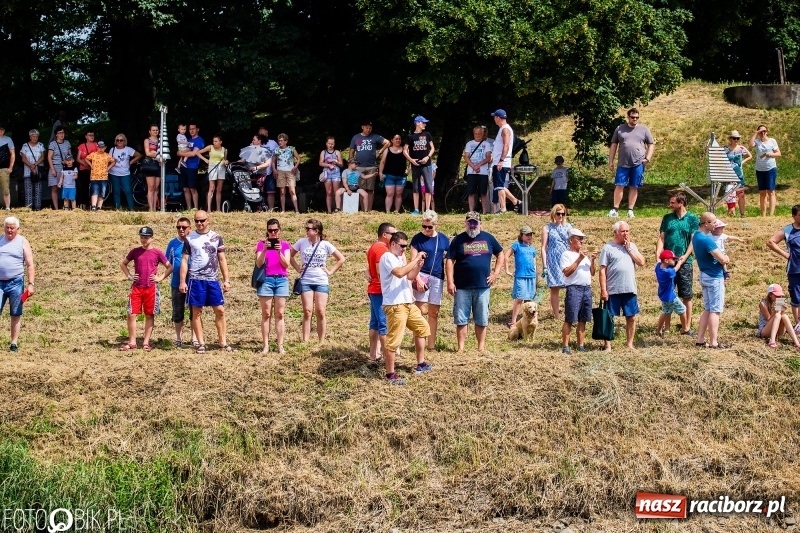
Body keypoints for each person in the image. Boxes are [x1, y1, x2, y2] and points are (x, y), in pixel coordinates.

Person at [445, 211, 504, 353]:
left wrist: (495, 273)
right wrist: (450, 282)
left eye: (475, 222)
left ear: (480, 224)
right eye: (469, 222)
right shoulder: (458, 239)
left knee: (482, 318)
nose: (472, 225)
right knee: (461, 318)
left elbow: (500, 254)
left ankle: (480, 347)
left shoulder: (488, 238)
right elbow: (449, 260)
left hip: (483, 286)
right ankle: (460, 348)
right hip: (462, 286)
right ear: (465, 223)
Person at [380, 231, 432, 385]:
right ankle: (390, 374)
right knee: (394, 340)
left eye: (406, 246)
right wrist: (415, 259)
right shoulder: (387, 257)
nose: (404, 249)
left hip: (407, 302)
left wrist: (418, 266)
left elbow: (409, 276)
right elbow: (400, 273)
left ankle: (421, 363)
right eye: (402, 246)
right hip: (395, 305)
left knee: (422, 328)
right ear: (393, 243)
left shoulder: (398, 258)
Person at [179, 210, 233, 354]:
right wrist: (183, 281)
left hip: (212, 280)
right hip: (196, 280)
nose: (199, 223)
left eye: (202, 220)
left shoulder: (216, 237)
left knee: (220, 310)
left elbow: (222, 259)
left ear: (208, 220)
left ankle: (223, 342)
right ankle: (201, 343)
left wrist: (226, 280)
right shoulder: (189, 238)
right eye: (196, 221)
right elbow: (184, 260)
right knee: (196, 312)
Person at [290, 219, 346, 342]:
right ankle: (305, 341)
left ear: (316, 231)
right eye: (306, 228)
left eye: (308, 229)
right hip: (306, 281)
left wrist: (330, 271)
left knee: (320, 311)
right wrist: (298, 268)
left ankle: (321, 341)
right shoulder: (301, 242)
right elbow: (289, 255)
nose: (306, 231)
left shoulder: (325, 244)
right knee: (307, 311)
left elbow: (341, 259)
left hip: (321, 281)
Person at [119, 226, 172, 352]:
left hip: (151, 288)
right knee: (131, 314)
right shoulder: (135, 251)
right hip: (137, 287)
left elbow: (170, 267)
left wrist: (160, 277)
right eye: (142, 237)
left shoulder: (157, 252)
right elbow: (123, 263)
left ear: (152, 238)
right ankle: (132, 342)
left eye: (146, 237)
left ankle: (146, 342)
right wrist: (129, 276)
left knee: (149, 314)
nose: (144, 240)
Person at [599, 221, 646, 350]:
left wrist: (629, 249)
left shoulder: (632, 246)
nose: (626, 234)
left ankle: (630, 344)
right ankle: (607, 345)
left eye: (627, 231)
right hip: (613, 289)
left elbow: (642, 262)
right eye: (623, 231)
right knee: (608, 317)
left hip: (629, 288)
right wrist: (603, 290)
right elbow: (602, 270)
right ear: (615, 232)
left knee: (631, 317)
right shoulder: (608, 248)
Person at [656, 193, 698, 335]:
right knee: (668, 293)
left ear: (681, 203)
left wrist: (685, 256)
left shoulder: (692, 218)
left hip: (685, 261)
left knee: (686, 294)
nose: (670, 205)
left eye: (673, 202)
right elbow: (662, 238)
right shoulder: (667, 218)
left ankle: (686, 326)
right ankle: (667, 327)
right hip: (668, 261)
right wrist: (658, 254)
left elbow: (693, 240)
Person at [410, 211, 450, 351]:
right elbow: (413, 260)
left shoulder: (443, 239)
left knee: (434, 313)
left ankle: (431, 345)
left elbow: (449, 259)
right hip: (421, 274)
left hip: (437, 277)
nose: (426, 229)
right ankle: (418, 342)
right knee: (420, 311)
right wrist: (417, 279)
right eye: (424, 226)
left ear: (436, 224)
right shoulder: (417, 239)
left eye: (429, 227)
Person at [607, 107, 654, 218]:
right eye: (633, 117)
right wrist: (611, 161)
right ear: (628, 117)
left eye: (637, 117)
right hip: (623, 163)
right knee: (619, 185)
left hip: (638, 163)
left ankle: (630, 210)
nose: (635, 119)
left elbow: (651, 144)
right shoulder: (620, 129)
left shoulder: (644, 130)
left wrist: (648, 158)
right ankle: (615, 209)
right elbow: (614, 145)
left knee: (634, 186)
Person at [692, 212, 730, 349]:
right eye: (714, 222)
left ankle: (700, 340)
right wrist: (727, 258)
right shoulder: (706, 240)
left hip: (704, 274)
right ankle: (714, 342)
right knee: (715, 310)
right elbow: (722, 259)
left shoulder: (696, 236)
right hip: (714, 277)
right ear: (706, 223)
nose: (716, 224)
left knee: (707, 308)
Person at [255, 219, 291, 355]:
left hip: (281, 280)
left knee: (280, 314)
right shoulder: (261, 244)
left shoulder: (285, 245)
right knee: (266, 314)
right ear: (267, 231)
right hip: (266, 280)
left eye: (275, 230)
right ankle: (266, 345)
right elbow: (259, 263)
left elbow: (286, 264)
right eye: (270, 230)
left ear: (279, 230)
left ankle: (280, 345)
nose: (273, 233)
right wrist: (264, 249)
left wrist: (279, 252)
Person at [0, 216, 35, 352]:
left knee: (15, 313)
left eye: (12, 228)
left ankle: (13, 343)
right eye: (7, 227)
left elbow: (30, 265)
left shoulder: (22, 242)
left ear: (17, 229)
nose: (9, 230)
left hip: (16, 282)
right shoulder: (0, 240)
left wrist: (31, 284)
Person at [560, 228, 597, 354]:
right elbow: (566, 272)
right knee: (570, 318)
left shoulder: (584, 256)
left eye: (582, 239)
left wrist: (592, 260)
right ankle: (565, 347)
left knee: (583, 319)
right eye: (579, 238)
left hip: (586, 289)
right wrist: (579, 259)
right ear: (571, 240)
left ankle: (581, 345)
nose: (582, 241)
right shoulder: (566, 255)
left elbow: (592, 272)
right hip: (574, 288)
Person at [366, 222, 396, 362]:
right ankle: (386, 356)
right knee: (384, 324)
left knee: (375, 323)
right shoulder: (381, 249)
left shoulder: (375, 246)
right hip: (380, 291)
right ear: (384, 234)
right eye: (392, 234)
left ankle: (373, 354)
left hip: (374, 289)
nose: (395, 237)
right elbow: (379, 271)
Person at [767, 204, 800, 325]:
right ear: (793, 216)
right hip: (795, 269)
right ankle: (798, 324)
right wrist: (784, 254)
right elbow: (770, 242)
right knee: (796, 298)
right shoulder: (788, 230)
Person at [165, 217, 195, 347]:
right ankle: (179, 338)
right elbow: (167, 262)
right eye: (178, 227)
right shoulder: (172, 244)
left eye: (184, 227)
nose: (181, 229)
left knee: (195, 311)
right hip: (177, 282)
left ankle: (194, 337)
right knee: (177, 311)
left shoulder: (194, 242)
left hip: (194, 282)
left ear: (190, 228)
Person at [349, 120, 389, 212]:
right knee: (361, 189)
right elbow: (351, 151)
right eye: (367, 128)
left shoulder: (375, 136)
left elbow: (387, 142)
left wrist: (379, 152)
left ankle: (369, 210)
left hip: (372, 166)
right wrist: (351, 164)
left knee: (370, 189)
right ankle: (363, 209)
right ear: (362, 127)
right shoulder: (356, 137)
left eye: (370, 128)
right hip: (359, 167)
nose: (368, 130)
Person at [541, 204, 573, 320]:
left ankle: (570, 312)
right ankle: (557, 315)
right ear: (553, 214)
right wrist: (545, 265)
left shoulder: (568, 227)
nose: (560, 216)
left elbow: (573, 243)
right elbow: (543, 247)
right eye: (558, 213)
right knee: (555, 288)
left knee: (571, 286)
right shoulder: (547, 228)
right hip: (553, 260)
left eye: (563, 214)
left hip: (566, 259)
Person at [504, 225, 538, 329]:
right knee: (519, 299)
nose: (529, 236)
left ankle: (528, 321)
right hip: (520, 275)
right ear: (521, 235)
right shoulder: (517, 245)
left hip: (531, 276)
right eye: (527, 235)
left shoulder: (532, 249)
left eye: (530, 234)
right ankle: (513, 322)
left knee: (529, 300)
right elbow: (506, 256)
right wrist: (507, 270)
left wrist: (536, 277)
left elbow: (534, 263)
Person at [489, 110, 521, 213]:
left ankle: (503, 209)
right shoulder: (502, 129)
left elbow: (506, 145)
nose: (494, 119)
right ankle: (515, 201)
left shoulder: (505, 129)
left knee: (499, 186)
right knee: (500, 185)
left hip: (501, 162)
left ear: (498, 118)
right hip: (498, 161)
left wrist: (501, 160)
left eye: (494, 117)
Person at [403, 116, 435, 214]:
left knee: (428, 186)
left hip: (427, 165)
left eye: (425, 123)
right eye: (423, 122)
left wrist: (427, 157)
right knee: (416, 187)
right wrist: (411, 160)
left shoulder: (427, 134)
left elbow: (432, 148)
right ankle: (416, 209)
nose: (425, 124)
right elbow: (405, 150)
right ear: (417, 123)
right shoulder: (410, 136)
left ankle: (428, 209)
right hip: (415, 165)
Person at [749, 124, 781, 217]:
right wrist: (755, 133)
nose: (763, 133)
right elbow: (750, 145)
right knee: (762, 192)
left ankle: (771, 214)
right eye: (761, 131)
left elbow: (779, 153)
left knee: (771, 191)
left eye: (764, 131)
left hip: (770, 168)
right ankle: (763, 214)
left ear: (767, 132)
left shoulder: (772, 141)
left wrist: (770, 154)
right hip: (760, 169)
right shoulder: (757, 141)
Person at [654, 250, 687, 337]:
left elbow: (659, 262)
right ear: (666, 260)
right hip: (671, 296)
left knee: (665, 312)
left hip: (663, 295)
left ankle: (659, 330)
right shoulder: (668, 272)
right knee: (683, 310)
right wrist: (680, 261)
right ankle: (685, 329)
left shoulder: (658, 267)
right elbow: (676, 268)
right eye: (672, 259)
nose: (674, 260)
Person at [757, 284, 800, 349]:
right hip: (765, 331)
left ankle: (797, 343)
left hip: (777, 331)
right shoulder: (763, 304)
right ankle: (772, 341)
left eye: (780, 295)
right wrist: (775, 311)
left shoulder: (779, 302)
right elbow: (769, 319)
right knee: (777, 315)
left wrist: (782, 310)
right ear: (770, 295)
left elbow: (780, 317)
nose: (779, 297)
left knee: (784, 316)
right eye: (776, 295)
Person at [463, 125, 493, 213]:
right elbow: (466, 157)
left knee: (483, 192)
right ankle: (471, 211)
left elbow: (488, 157)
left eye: (479, 134)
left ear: (482, 134)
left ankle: (484, 211)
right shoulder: (469, 144)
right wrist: (473, 166)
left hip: (483, 172)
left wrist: (478, 165)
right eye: (475, 133)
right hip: (471, 172)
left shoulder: (486, 144)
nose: (477, 135)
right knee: (471, 192)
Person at [108, 134, 142, 211]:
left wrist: (131, 162)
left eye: (121, 140)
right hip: (114, 173)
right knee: (116, 191)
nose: (119, 142)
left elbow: (139, 155)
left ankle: (131, 207)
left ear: (124, 141)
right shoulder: (112, 150)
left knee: (128, 190)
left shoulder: (128, 149)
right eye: (117, 140)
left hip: (125, 173)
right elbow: (108, 160)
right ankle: (118, 208)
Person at [722, 130, 751, 217]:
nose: (736, 140)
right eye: (734, 138)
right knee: (730, 193)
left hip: (739, 174)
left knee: (741, 194)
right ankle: (731, 212)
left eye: (737, 138)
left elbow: (750, 156)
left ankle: (742, 214)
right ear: (730, 139)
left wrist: (743, 162)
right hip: (729, 173)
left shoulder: (741, 148)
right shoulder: (725, 149)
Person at [177, 123, 204, 210]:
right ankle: (189, 208)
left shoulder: (199, 140)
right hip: (183, 166)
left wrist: (182, 153)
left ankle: (195, 208)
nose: (191, 131)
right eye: (190, 129)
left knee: (192, 188)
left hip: (192, 167)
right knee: (185, 189)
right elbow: (177, 152)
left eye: (193, 129)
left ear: (197, 129)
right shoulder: (186, 139)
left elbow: (193, 154)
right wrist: (182, 153)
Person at [378, 134, 409, 214]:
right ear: (392, 140)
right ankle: (388, 211)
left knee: (399, 194)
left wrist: (408, 169)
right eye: (396, 139)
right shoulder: (387, 150)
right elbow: (382, 162)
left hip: (401, 176)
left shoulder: (405, 150)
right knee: (389, 194)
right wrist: (380, 172)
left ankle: (397, 211)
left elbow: (410, 161)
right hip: (389, 175)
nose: (398, 140)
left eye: (399, 139)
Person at [197, 134, 228, 212]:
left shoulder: (224, 150)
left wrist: (226, 162)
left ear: (220, 142)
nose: (214, 143)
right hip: (212, 166)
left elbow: (224, 159)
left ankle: (218, 209)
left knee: (219, 189)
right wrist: (205, 159)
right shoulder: (210, 147)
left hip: (221, 168)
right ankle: (209, 209)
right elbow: (198, 152)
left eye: (216, 141)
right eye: (214, 141)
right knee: (211, 188)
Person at [273, 133, 301, 213]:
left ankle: (296, 210)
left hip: (290, 171)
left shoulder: (291, 149)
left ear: (286, 141)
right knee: (282, 191)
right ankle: (283, 210)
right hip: (280, 171)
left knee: (292, 190)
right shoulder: (277, 150)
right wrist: (274, 169)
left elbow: (298, 158)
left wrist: (295, 167)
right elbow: (273, 161)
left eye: (281, 141)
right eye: (279, 141)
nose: (280, 142)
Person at [19, 129, 45, 211]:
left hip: (38, 171)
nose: (35, 138)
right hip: (27, 171)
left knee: (38, 191)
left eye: (36, 136)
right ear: (30, 137)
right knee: (28, 191)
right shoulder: (25, 146)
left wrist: (35, 165)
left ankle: (37, 208)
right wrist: (31, 166)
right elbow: (23, 158)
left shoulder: (40, 145)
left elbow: (42, 157)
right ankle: (28, 209)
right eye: (33, 136)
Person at [85, 141, 115, 211]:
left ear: (105, 147)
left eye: (102, 147)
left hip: (103, 177)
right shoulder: (93, 154)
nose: (101, 149)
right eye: (99, 147)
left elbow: (113, 161)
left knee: (102, 193)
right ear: (97, 147)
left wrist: (108, 168)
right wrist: (91, 165)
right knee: (94, 192)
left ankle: (99, 207)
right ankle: (93, 206)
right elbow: (86, 158)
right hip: (94, 177)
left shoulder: (107, 155)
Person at [47, 125, 72, 210]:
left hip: (65, 167)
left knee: (66, 187)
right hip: (55, 166)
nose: (62, 134)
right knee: (54, 187)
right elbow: (49, 157)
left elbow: (70, 156)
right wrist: (52, 169)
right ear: (56, 135)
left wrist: (67, 161)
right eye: (60, 133)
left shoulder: (67, 143)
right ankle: (56, 208)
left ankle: (66, 207)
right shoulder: (52, 144)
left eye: (63, 132)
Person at [319, 137, 343, 214]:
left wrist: (335, 161)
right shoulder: (323, 152)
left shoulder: (337, 152)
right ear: (326, 144)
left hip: (336, 173)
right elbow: (320, 163)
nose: (330, 145)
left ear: (334, 144)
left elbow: (341, 164)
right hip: (327, 174)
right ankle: (329, 211)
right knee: (328, 192)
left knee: (336, 192)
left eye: (332, 144)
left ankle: (338, 209)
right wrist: (328, 165)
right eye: (329, 143)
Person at [76, 129, 98, 209]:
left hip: (94, 169)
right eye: (90, 135)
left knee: (94, 187)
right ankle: (84, 204)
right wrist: (85, 164)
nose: (92, 136)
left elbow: (99, 156)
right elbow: (78, 158)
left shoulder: (96, 145)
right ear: (86, 136)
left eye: (93, 135)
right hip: (83, 169)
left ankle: (93, 204)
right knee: (84, 187)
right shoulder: (81, 146)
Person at [142, 124, 163, 212]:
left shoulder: (161, 140)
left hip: (159, 165)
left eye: (157, 130)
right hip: (150, 165)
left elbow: (163, 153)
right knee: (151, 187)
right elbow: (147, 153)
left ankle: (155, 207)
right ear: (150, 131)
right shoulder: (147, 140)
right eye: (153, 130)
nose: (155, 132)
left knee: (156, 188)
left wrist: (154, 153)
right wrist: (158, 155)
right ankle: (151, 208)